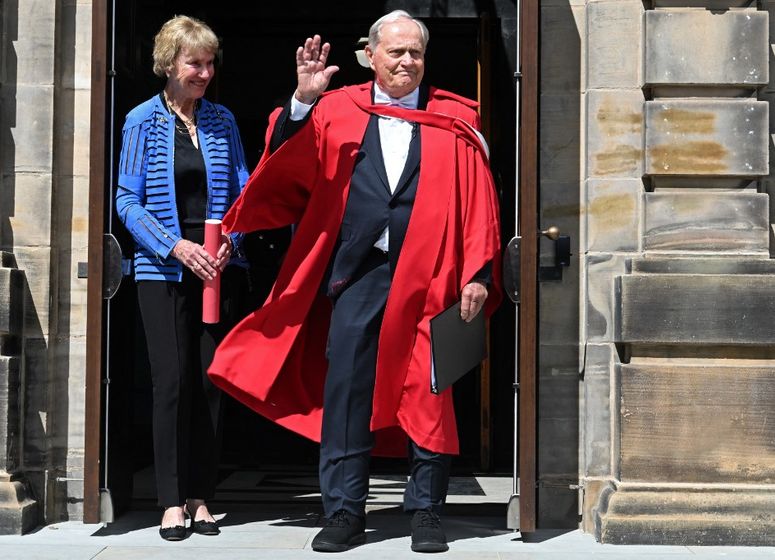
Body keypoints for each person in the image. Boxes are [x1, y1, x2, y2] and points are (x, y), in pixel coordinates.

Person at [209, 10, 501, 553]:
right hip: (357, 274)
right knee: (346, 392)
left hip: (433, 275)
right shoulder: (336, 109)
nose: (407, 62)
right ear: (371, 55)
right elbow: (286, 164)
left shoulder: (455, 118)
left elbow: (480, 202)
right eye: (396, 52)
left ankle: (427, 512)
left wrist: (478, 273)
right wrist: (301, 103)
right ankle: (344, 512)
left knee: (432, 388)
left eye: (415, 52)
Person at [115, 15, 248, 541]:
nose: (205, 72)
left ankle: (199, 496)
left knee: (209, 383)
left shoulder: (222, 120)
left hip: (216, 268)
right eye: (195, 62)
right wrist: (175, 245)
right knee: (170, 383)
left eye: (210, 62)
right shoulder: (140, 121)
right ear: (169, 63)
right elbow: (124, 200)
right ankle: (169, 501)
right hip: (162, 268)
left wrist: (229, 242)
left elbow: (243, 192)